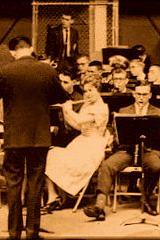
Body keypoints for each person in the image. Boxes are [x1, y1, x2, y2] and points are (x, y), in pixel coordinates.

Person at [0, 36, 69, 239]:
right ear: (30, 48)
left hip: (15, 138)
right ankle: (32, 233)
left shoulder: (5, 71)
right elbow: (61, 97)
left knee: (14, 185)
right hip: (39, 138)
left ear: (13, 52)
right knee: (35, 184)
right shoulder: (47, 70)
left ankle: (14, 233)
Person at [82, 85, 160, 221]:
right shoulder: (124, 111)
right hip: (128, 150)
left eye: (144, 94)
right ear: (133, 94)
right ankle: (99, 206)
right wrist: (112, 137)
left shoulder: (158, 112)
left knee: (155, 166)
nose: (141, 97)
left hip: (148, 151)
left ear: (150, 95)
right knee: (107, 165)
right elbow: (118, 135)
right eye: (138, 94)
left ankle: (146, 199)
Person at [43, 79, 109, 215]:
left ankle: (61, 196)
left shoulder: (101, 108)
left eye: (91, 90)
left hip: (93, 145)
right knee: (49, 154)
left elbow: (80, 120)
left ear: (99, 91)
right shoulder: (87, 106)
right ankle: (53, 196)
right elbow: (79, 126)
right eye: (85, 91)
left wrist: (68, 109)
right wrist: (65, 112)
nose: (87, 94)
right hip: (81, 141)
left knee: (61, 159)